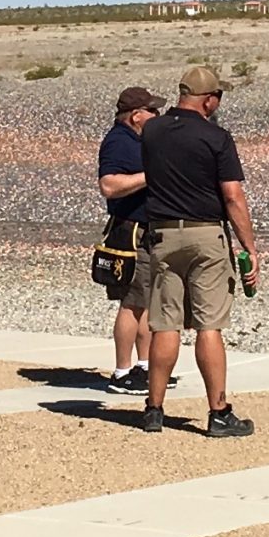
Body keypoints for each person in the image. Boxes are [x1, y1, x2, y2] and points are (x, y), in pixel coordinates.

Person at [140, 66, 259, 437]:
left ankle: (154, 408)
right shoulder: (216, 137)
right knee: (209, 324)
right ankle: (218, 412)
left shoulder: (152, 132)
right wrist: (249, 247)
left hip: (162, 234)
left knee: (165, 324)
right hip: (205, 234)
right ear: (209, 99)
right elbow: (233, 196)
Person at [97, 85, 166, 394]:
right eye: (153, 111)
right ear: (136, 115)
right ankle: (122, 371)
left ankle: (144, 366)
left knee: (147, 301)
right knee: (131, 303)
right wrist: (151, 176)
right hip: (131, 232)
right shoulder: (117, 142)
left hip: (146, 229)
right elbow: (109, 185)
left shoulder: (138, 140)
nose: (157, 115)